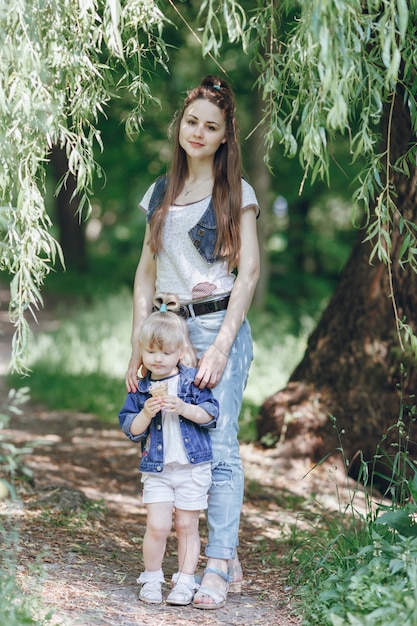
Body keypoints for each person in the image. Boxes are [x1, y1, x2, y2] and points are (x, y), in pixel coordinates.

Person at [125, 75, 260, 610]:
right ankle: (213, 549)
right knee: (174, 439)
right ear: (179, 126)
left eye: (211, 126)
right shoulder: (161, 192)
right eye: (191, 122)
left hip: (216, 327)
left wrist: (224, 345)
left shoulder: (237, 193)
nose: (198, 132)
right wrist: (137, 346)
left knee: (219, 445)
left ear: (226, 135)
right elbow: (143, 276)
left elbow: (247, 276)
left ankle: (220, 564)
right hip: (166, 333)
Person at [119, 293, 219, 606]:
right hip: (158, 468)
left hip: (192, 467)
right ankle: (152, 577)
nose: (157, 359)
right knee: (158, 525)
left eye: (165, 352)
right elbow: (131, 430)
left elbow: (210, 414)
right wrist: (146, 413)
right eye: (150, 352)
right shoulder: (141, 387)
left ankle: (186, 580)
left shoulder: (191, 383)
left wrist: (184, 408)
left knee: (187, 525)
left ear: (179, 352)